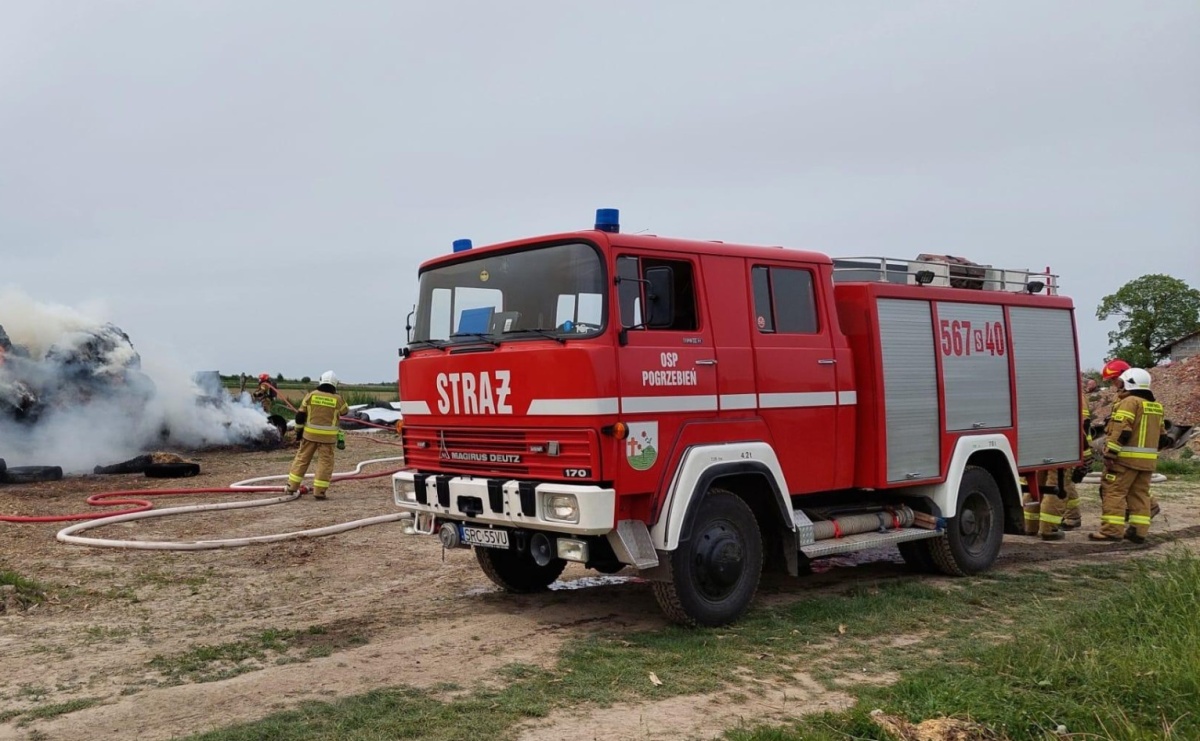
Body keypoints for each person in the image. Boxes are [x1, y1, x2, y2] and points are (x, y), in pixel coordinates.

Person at [1089, 367, 1163, 544]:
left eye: (1121, 382)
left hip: (1125, 460)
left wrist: (1110, 454)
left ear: (1130, 383)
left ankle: (1111, 531)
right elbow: (1163, 437)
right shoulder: (1156, 406)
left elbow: (1122, 430)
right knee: (1139, 494)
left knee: (1113, 492)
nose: (1119, 385)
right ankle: (1138, 531)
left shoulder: (1129, 402)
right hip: (1147, 462)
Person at [284, 371, 349, 500]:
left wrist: (298, 431)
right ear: (335, 384)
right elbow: (345, 411)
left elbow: (300, 415)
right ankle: (319, 491)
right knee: (325, 463)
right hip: (328, 438)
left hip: (309, 436)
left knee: (302, 459)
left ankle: (292, 486)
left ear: (321, 381)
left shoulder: (311, 395)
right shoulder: (338, 399)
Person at [1036, 391, 1093, 540]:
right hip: (1064, 450)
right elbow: (1081, 427)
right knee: (1058, 486)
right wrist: (1086, 456)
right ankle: (1049, 529)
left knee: (1036, 485)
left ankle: (1030, 525)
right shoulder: (1070, 396)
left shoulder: (1038, 397)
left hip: (1036, 450)